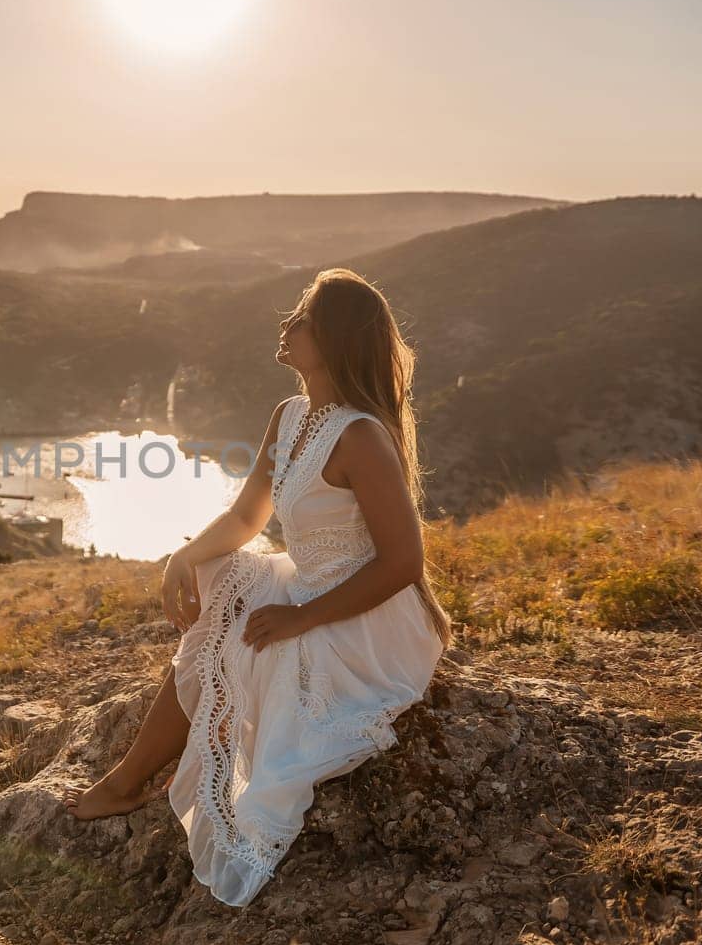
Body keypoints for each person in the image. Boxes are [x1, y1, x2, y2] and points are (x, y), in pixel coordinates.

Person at [63, 267, 453, 907]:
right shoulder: (290, 415)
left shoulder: (360, 435)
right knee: (222, 582)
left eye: (301, 316)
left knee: (241, 637)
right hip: (308, 591)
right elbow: (248, 518)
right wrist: (182, 556)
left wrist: (303, 620)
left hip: (365, 618)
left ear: (330, 338)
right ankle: (130, 777)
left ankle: (130, 778)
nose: (287, 325)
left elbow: (403, 563)